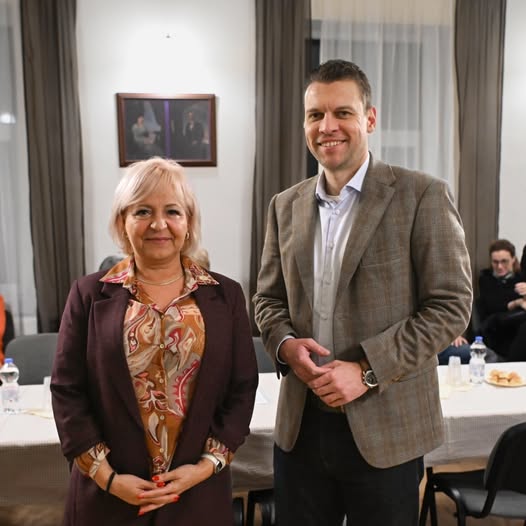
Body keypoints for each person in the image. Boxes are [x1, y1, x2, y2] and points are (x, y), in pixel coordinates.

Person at [253, 59, 472, 526]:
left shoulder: (422, 195)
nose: (327, 127)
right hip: (301, 428)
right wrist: (286, 346)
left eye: (343, 113)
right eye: (315, 115)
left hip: (388, 426)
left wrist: (367, 371)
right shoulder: (283, 206)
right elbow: (267, 300)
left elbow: (450, 306)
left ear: (369, 119)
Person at [51, 157, 258, 525]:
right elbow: (68, 391)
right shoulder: (87, 294)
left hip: (198, 498)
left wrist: (204, 467)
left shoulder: (225, 296)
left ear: (189, 222)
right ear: (122, 222)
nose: (159, 224)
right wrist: (108, 478)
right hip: (109, 501)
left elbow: (241, 389)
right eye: (143, 211)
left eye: (172, 212)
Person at [478, 239, 526, 360]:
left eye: (504, 261)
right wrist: (518, 302)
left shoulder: (521, 277)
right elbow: (492, 305)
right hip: (495, 325)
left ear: (513, 259)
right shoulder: (486, 278)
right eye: (495, 262)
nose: (499, 266)